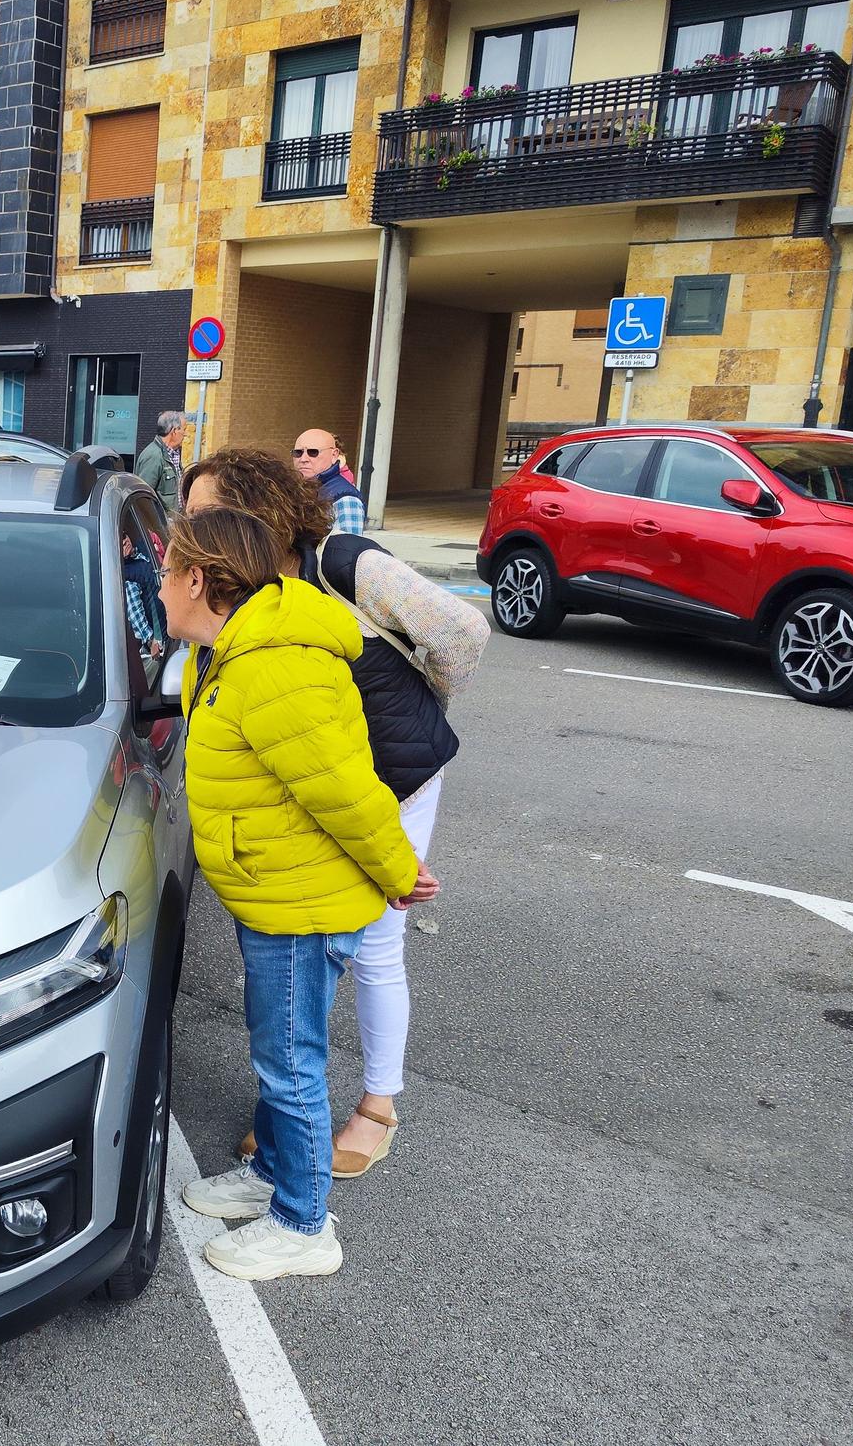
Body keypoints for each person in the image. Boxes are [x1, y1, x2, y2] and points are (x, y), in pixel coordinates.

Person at [184, 448, 487, 1177]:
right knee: (310, 940)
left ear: (260, 508)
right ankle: (293, 1116)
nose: (191, 529)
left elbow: (460, 633)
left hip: (392, 775)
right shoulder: (240, 585)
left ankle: (376, 1108)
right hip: (311, 778)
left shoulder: (343, 562)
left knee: (377, 940)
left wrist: (411, 707)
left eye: (207, 514)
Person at [163, 506, 435, 1280]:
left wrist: (397, 872)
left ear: (197, 579)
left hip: (300, 903)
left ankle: (304, 1222)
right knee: (280, 1050)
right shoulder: (231, 652)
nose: (158, 588)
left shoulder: (275, 664)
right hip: (277, 890)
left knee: (291, 1061)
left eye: (166, 572)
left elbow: (345, 790)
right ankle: (273, 1175)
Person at [292, 429, 364, 533]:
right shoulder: (293, 490)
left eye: (313, 452)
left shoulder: (345, 500)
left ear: (334, 455)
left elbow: (347, 547)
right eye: (298, 453)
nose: (303, 459)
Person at [120, 530, 166, 661]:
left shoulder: (143, 546)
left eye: (123, 535)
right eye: (118, 542)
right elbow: (135, 614)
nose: (123, 541)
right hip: (162, 635)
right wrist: (152, 641)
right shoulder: (127, 575)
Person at [135, 410, 187, 516]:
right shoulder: (153, 456)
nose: (185, 434)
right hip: (162, 525)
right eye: (184, 429)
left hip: (174, 523)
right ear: (174, 431)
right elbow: (143, 497)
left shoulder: (173, 454)